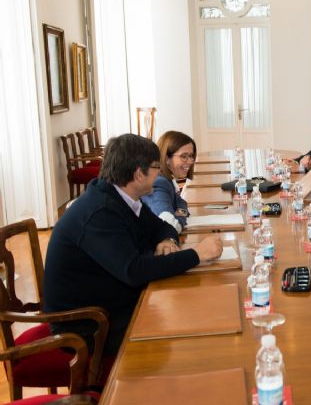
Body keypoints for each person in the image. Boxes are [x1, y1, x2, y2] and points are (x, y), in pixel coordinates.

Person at [44, 134, 223, 357]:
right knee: (183, 334)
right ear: (139, 174)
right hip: (88, 326)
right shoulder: (99, 213)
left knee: (189, 312)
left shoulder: (123, 198)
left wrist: (166, 240)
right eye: (156, 167)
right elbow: (134, 271)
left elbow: (161, 227)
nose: (160, 173)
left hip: (113, 303)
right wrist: (196, 254)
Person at [141, 131, 195, 234]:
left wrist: (179, 212)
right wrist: (181, 219)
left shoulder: (167, 180)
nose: (190, 161)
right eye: (184, 156)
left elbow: (182, 203)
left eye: (191, 156)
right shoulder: (159, 182)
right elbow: (169, 226)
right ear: (166, 159)